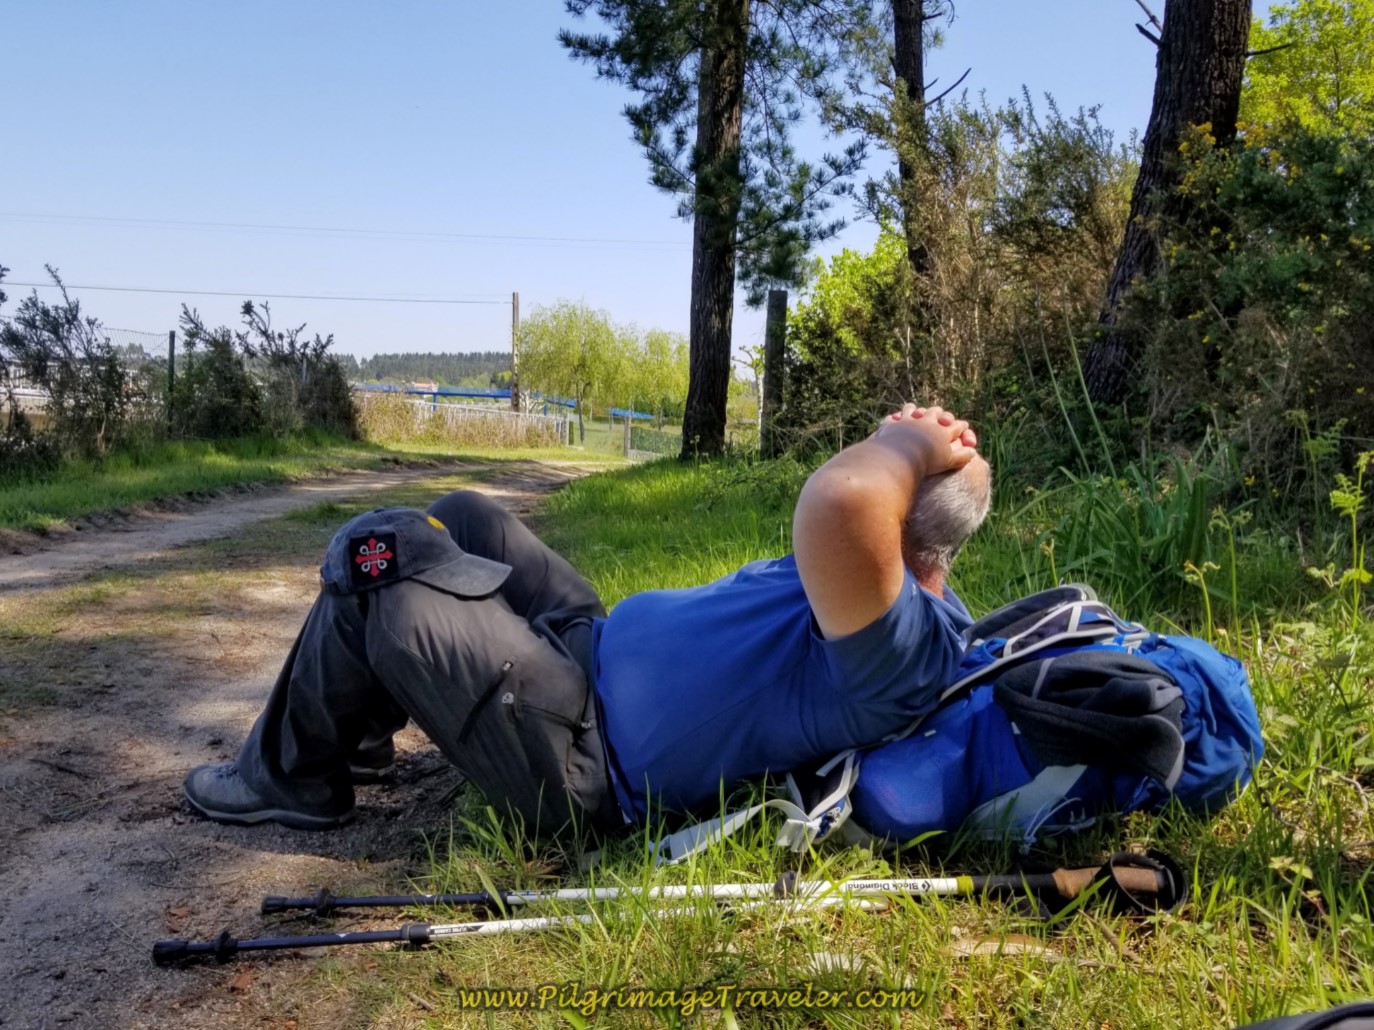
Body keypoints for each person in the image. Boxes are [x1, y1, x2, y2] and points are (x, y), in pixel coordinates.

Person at [183, 404, 992, 836]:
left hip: (578, 750)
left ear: (906, 508)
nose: (906, 424)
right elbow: (852, 505)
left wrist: (906, 442)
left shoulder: (905, 644)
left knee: (376, 559)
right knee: (461, 516)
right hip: (586, 648)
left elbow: (843, 501)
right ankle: (354, 731)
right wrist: (913, 449)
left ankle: (288, 779)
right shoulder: (879, 604)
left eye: (907, 451)